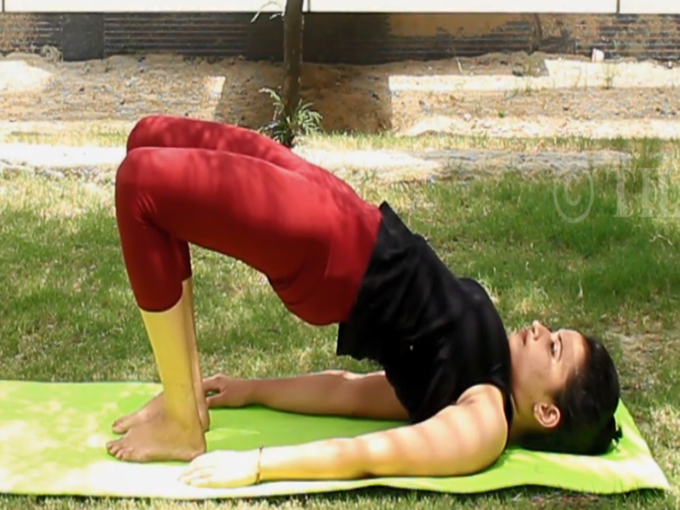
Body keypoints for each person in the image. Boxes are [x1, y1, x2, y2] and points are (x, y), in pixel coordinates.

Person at [108, 115, 621, 488]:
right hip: (346, 214)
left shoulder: (484, 421)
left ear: (547, 413)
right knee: (148, 137)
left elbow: (374, 453)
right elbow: (350, 394)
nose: (538, 329)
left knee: (141, 188)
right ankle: (188, 398)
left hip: (328, 251)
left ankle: (182, 422)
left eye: (554, 349)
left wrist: (260, 464)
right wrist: (251, 390)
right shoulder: (464, 374)